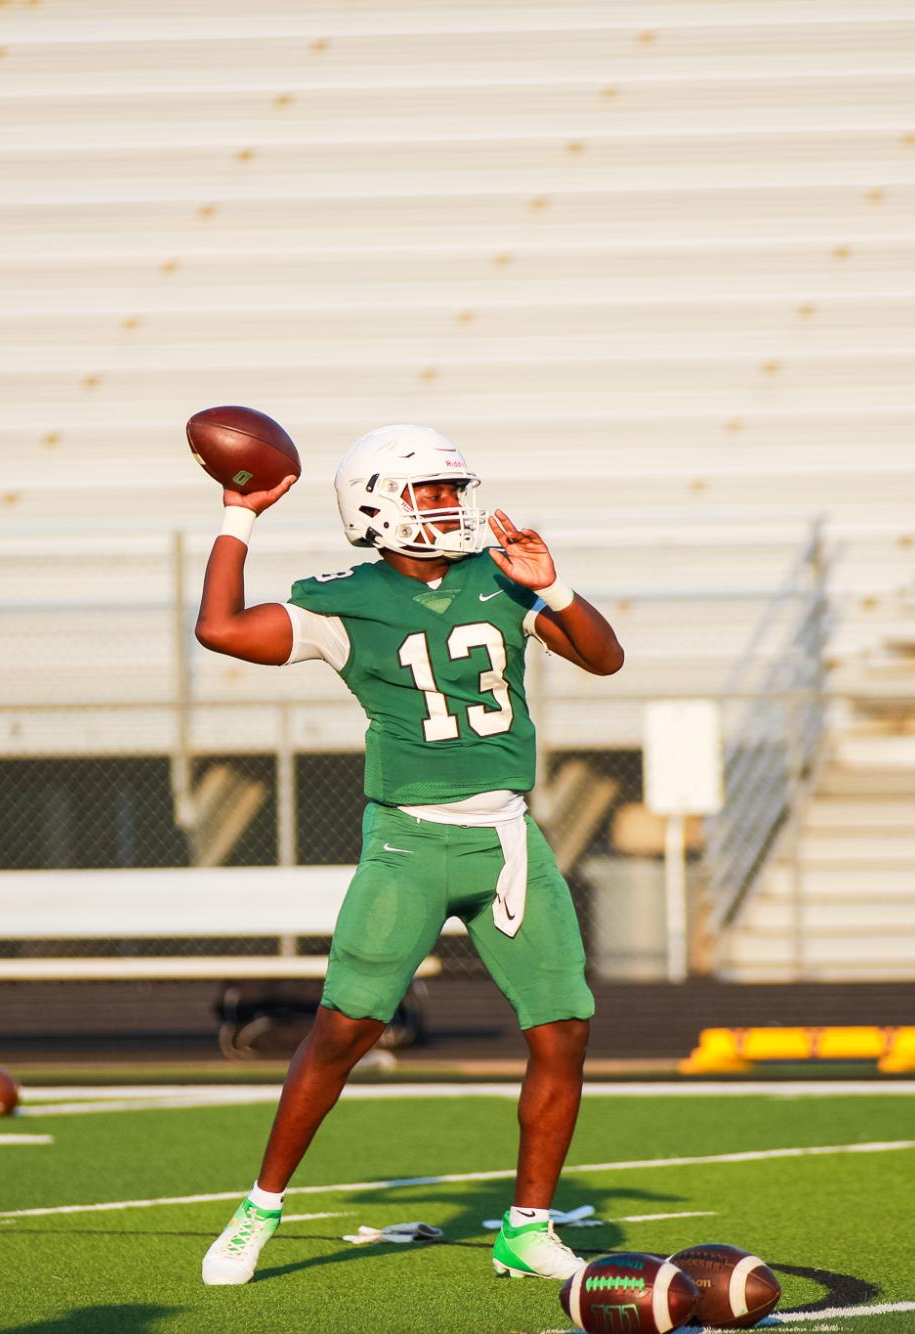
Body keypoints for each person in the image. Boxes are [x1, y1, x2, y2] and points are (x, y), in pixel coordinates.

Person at [194, 423, 624, 1286]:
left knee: (563, 1030)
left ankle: (527, 1226)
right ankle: (259, 1207)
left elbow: (605, 660)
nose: (450, 506)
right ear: (377, 504)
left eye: (452, 490)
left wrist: (559, 587)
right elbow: (220, 629)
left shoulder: (502, 577)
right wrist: (239, 515)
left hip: (509, 838)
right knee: (342, 1030)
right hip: (409, 841)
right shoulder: (343, 600)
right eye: (431, 492)